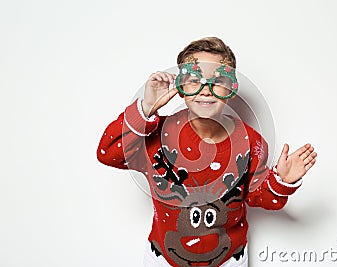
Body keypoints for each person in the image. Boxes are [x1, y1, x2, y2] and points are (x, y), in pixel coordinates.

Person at [97, 37, 317, 267]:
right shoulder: (156, 133)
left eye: (218, 80)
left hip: (228, 259)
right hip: (163, 258)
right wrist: (146, 109)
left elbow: (257, 196)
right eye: (194, 80)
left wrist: (280, 181)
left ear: (232, 88)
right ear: (180, 88)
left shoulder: (251, 141)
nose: (205, 90)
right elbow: (108, 153)